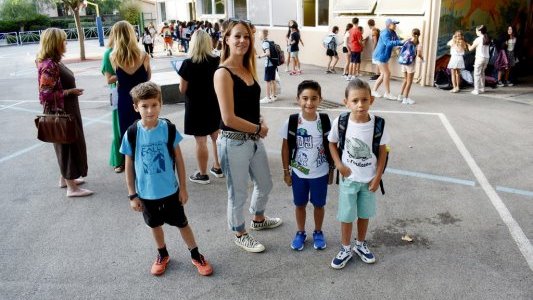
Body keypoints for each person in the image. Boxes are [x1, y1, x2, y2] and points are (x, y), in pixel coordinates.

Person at [120, 82, 213, 277]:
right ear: (136, 107)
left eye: (154, 105)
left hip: (170, 191)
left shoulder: (167, 129)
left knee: (182, 223)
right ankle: (162, 254)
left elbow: (178, 159)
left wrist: (183, 188)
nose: (150, 110)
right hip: (146, 193)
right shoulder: (132, 133)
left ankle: (196, 254)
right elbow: (129, 166)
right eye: (144, 106)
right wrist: (132, 194)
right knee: (154, 225)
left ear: (160, 104)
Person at [213, 19, 282, 253]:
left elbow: (248, 106)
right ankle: (239, 232)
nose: (243, 40)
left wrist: (259, 120)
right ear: (227, 39)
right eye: (237, 36)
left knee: (265, 183)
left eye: (246, 36)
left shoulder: (248, 67)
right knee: (238, 192)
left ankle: (258, 220)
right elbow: (229, 118)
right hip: (234, 142)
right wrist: (257, 129)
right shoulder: (223, 73)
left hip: (253, 139)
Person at [328, 78, 390, 269]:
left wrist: (377, 177)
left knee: (364, 214)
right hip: (349, 180)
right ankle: (346, 248)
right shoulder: (341, 121)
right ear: (346, 101)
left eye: (364, 100)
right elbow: (331, 142)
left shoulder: (378, 124)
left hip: (369, 181)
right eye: (355, 101)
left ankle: (360, 244)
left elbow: (382, 152)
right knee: (346, 216)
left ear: (371, 100)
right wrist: (339, 165)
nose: (360, 105)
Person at [37, 28, 93, 197]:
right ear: (55, 43)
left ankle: (65, 178)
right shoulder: (49, 66)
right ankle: (72, 188)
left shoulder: (54, 62)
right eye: (63, 40)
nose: (66, 43)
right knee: (66, 145)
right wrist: (70, 92)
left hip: (67, 110)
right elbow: (45, 94)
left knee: (68, 144)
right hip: (61, 112)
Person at [280, 80, 331, 251]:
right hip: (299, 173)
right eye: (305, 98)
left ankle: (318, 232)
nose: (309, 102)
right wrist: (286, 171)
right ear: (298, 99)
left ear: (320, 100)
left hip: (320, 172)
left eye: (313, 98)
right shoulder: (293, 121)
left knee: (319, 205)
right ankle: (300, 232)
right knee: (299, 204)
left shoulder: (324, 120)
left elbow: (331, 145)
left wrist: (331, 170)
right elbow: (286, 147)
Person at [177, 30, 223, 184]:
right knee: (216, 137)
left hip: (196, 106)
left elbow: (182, 89)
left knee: (201, 141)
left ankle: (202, 174)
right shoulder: (217, 61)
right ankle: (218, 167)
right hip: (214, 103)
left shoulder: (188, 64)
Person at [110, 21, 151, 142]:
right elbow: (148, 77)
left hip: (125, 99)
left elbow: (117, 77)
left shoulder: (113, 57)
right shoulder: (144, 55)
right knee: (146, 131)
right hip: (143, 98)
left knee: (128, 134)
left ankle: (129, 160)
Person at [101, 29, 124, 173]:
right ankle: (119, 160)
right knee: (118, 127)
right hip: (117, 93)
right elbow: (109, 78)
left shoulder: (132, 51)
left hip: (133, 92)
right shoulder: (109, 53)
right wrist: (125, 73)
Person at [371, 18, 404, 100]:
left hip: (384, 56)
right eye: (394, 24)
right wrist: (401, 42)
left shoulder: (393, 32)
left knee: (383, 74)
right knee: (387, 73)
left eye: (396, 24)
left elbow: (397, 41)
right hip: (380, 56)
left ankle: (373, 90)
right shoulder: (385, 33)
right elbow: (388, 43)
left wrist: (403, 43)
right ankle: (387, 93)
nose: (395, 25)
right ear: (389, 25)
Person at [398, 28, 423, 104]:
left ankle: (400, 96)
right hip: (410, 64)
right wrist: (423, 58)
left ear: (412, 33)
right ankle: (405, 99)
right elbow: (418, 54)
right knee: (409, 82)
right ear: (419, 35)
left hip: (403, 62)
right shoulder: (418, 44)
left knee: (405, 80)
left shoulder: (407, 40)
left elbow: (401, 48)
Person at [258, 29, 278, 104]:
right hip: (273, 63)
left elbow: (268, 53)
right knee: (273, 80)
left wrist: (260, 56)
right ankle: (274, 96)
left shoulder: (264, 43)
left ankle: (267, 97)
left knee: (267, 81)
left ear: (263, 35)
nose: (258, 36)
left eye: (259, 34)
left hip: (269, 64)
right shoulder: (269, 42)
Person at [469, 25, 490, 95]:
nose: (476, 32)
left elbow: (470, 49)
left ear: (479, 31)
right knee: (482, 73)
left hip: (479, 58)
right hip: (486, 58)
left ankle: (476, 90)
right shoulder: (487, 38)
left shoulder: (478, 39)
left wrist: (467, 44)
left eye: (476, 30)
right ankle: (482, 88)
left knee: (477, 74)